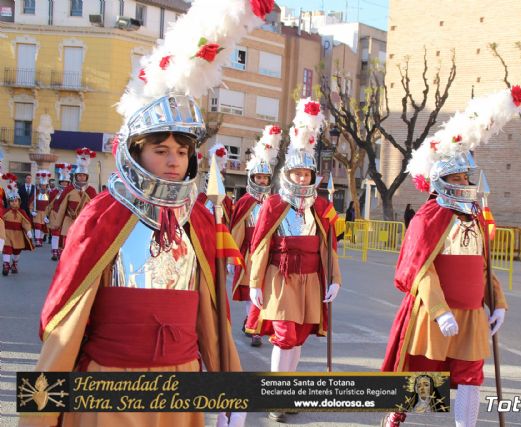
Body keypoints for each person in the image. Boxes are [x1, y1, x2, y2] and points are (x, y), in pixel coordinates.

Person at [19, 94, 243, 427]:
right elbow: (68, 322)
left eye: (182, 152)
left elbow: (210, 318)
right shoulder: (102, 215)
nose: (174, 162)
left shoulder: (198, 221)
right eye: (161, 151)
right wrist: (43, 410)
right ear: (136, 153)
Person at [381, 86, 521, 427]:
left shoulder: (476, 218)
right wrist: (439, 310)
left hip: (472, 315)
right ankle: (395, 414)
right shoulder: (428, 218)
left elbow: (483, 266)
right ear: (441, 180)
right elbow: (420, 270)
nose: (464, 182)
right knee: (420, 374)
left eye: (467, 176)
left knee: (471, 378)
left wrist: (497, 301)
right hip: (435, 314)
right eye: (457, 177)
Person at [245, 98, 341, 423]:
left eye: (306, 173)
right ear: (287, 173)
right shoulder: (273, 205)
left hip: (310, 279)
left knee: (298, 339)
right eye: (297, 173)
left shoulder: (320, 208)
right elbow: (259, 246)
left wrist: (335, 279)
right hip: (281, 277)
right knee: (284, 337)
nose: (302, 179)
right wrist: (255, 282)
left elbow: (329, 248)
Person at [229, 125, 281, 348]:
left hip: (269, 253)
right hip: (249, 252)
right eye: (258, 177)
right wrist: (232, 257)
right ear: (252, 177)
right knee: (253, 289)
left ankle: (255, 325)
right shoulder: (244, 203)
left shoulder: (276, 201)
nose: (261, 181)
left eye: (264, 177)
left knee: (265, 288)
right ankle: (253, 325)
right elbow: (237, 231)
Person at [49, 149, 98, 256]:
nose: (81, 177)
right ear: (76, 176)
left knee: (79, 249)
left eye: (83, 175)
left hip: (83, 223)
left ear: (87, 176)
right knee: (66, 247)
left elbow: (95, 209)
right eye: (79, 175)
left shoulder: (91, 190)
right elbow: (62, 207)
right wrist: (57, 223)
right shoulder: (69, 189)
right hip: (68, 222)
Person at [2, 174, 33, 276]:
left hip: (18, 235)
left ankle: (14, 263)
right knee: (7, 249)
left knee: (16, 251)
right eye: (12, 201)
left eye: (16, 201)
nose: (14, 203)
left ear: (19, 202)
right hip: (7, 234)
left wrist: (28, 231)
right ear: (9, 202)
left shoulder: (22, 212)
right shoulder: (5, 212)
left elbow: (26, 222)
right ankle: (6, 264)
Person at [45, 163, 72, 260]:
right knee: (55, 234)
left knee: (63, 235)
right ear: (60, 182)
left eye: (66, 182)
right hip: (55, 215)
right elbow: (49, 205)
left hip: (65, 217)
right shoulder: (54, 192)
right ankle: (54, 251)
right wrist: (46, 215)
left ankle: (62, 251)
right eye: (63, 182)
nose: (64, 184)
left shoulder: (71, 192)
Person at [29, 170, 52, 247]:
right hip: (37, 213)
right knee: (38, 226)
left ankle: (41, 240)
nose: (43, 187)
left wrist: (49, 215)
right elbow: (31, 204)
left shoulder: (49, 194)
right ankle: (37, 240)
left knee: (43, 228)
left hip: (45, 214)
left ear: (46, 186)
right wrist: (32, 211)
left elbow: (51, 205)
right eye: (42, 185)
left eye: (44, 185)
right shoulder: (36, 193)